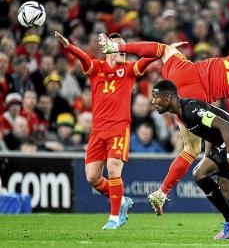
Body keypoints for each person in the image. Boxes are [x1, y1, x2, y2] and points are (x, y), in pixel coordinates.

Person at [98, 34, 229, 214]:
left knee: (164, 50)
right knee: (190, 149)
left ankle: (115, 45)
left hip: (187, 72)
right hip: (195, 98)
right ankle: (162, 193)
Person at [151, 80, 229, 240]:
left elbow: (225, 126)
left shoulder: (191, 110)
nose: (153, 101)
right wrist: (208, 155)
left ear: (168, 97)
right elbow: (209, 131)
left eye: (155, 97)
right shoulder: (183, 114)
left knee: (199, 173)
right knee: (226, 193)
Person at [54, 31, 157, 230]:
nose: (123, 51)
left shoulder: (129, 70)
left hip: (119, 127)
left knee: (113, 168)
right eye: (119, 48)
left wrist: (163, 50)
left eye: (124, 49)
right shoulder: (96, 68)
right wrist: (69, 46)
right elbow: (83, 58)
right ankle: (122, 200)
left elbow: (147, 59)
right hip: (98, 130)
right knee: (92, 177)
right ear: (109, 51)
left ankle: (114, 217)